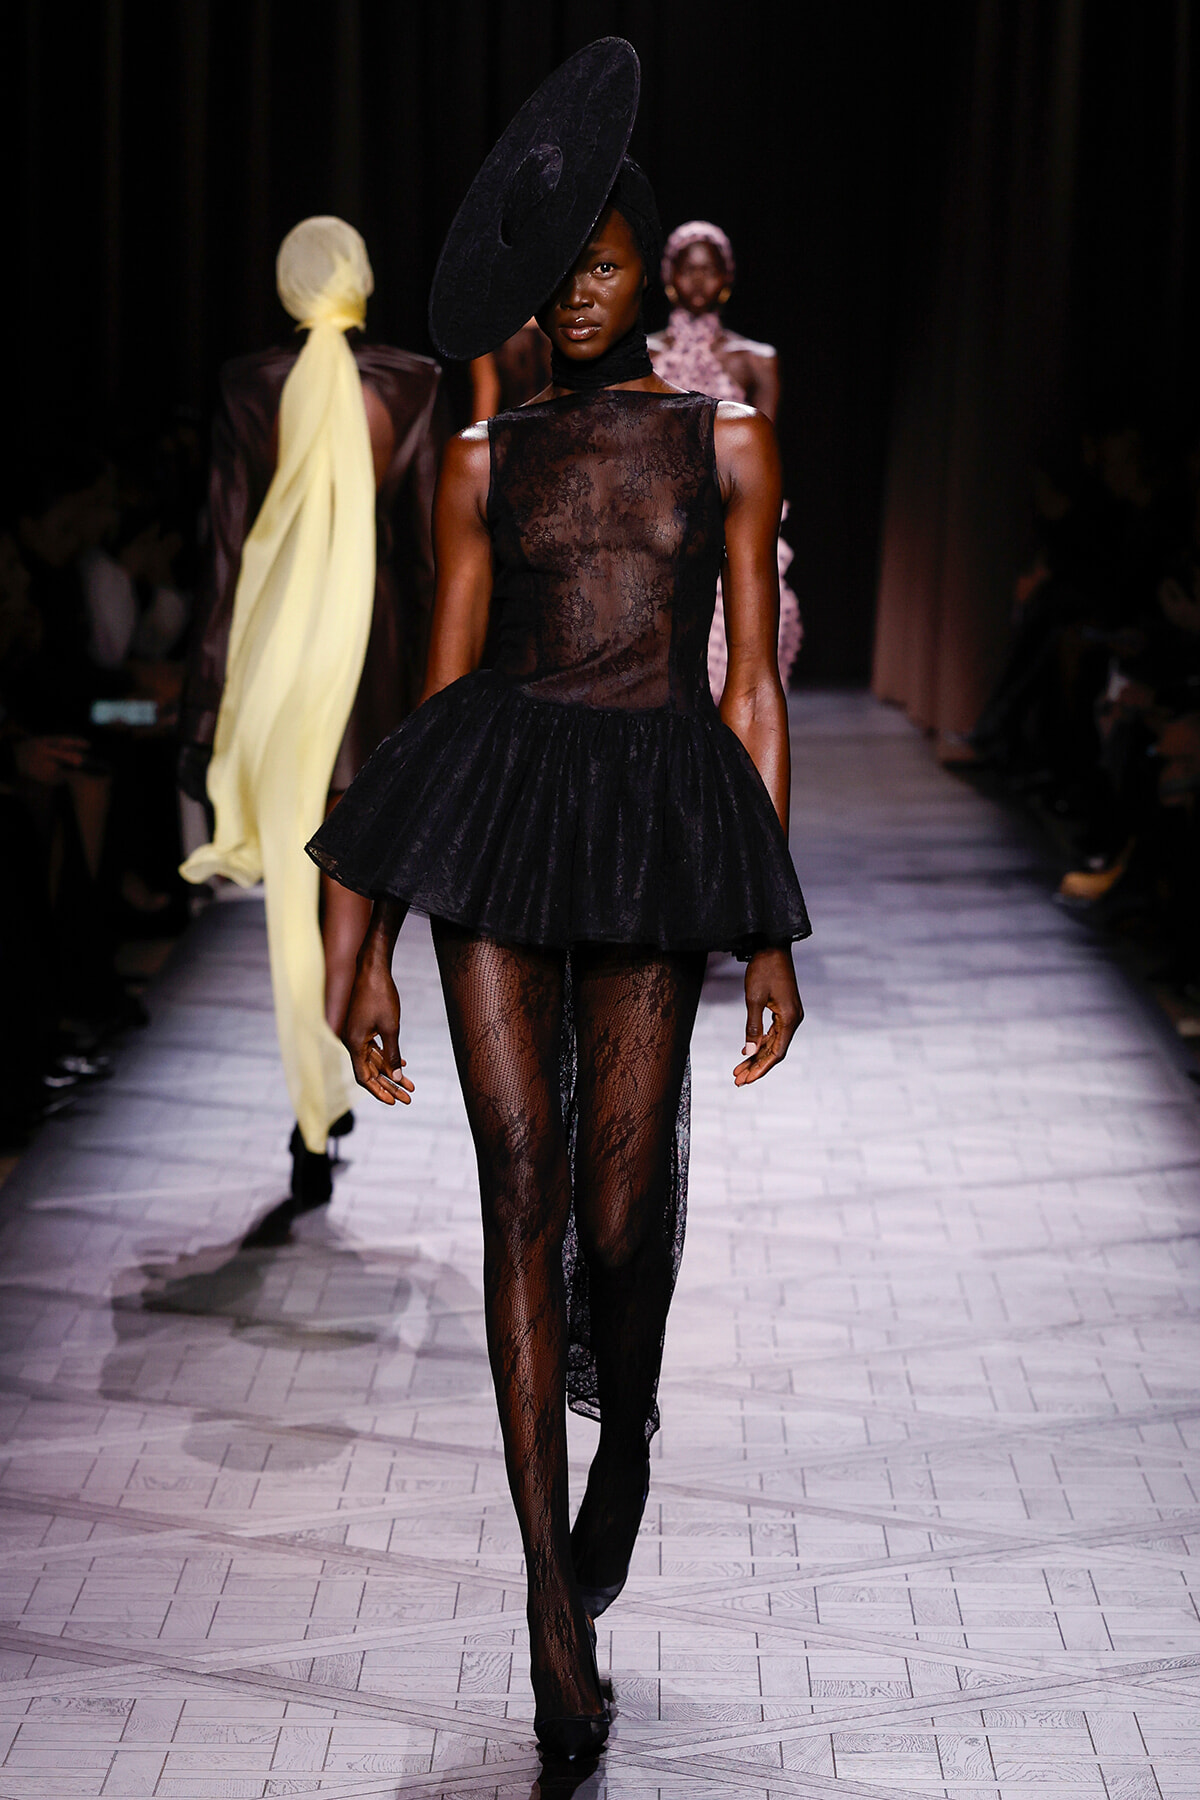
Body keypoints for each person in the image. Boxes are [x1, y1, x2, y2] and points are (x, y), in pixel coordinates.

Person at [308, 41, 810, 1762]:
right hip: (506, 817)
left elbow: (749, 686)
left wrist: (770, 922)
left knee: (617, 1217)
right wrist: (356, 931)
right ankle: (545, 1604)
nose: (585, 292)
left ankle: (633, 1435)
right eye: (562, 267)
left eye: (608, 259)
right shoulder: (478, 461)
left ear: (644, 261)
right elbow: (430, 701)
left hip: (660, 813)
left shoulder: (719, 446)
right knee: (516, 1184)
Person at [178, 218, 442, 1216]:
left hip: (279, 666)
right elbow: (423, 553)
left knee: (290, 906)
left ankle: (313, 1109)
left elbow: (223, 555)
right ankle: (319, 1099)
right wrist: (437, 688)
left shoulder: (250, 386)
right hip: (371, 665)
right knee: (345, 912)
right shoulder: (410, 382)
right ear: (363, 279)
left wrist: (205, 711)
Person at [650, 220, 803, 698]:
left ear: (726, 278)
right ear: (668, 275)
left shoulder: (755, 359)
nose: (699, 280)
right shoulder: (643, 356)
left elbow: (763, 456)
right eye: (688, 269)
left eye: (709, 270)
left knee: (736, 662)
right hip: (654, 524)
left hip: (727, 518)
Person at [469, 318, 551, 421]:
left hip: (511, 429)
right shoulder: (564, 321)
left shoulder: (484, 329)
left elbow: (487, 392)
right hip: (562, 426)